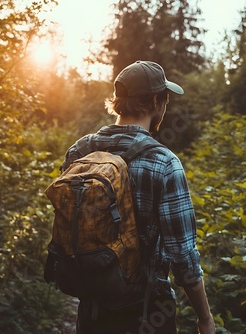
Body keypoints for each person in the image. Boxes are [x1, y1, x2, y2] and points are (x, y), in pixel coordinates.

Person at [61, 60, 215, 334]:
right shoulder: (164, 162)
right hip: (147, 311)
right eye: (165, 99)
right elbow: (183, 256)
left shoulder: (79, 151)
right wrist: (204, 317)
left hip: (92, 309)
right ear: (156, 100)